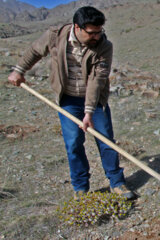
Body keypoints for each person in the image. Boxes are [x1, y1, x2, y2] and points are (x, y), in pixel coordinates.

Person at [8, 6, 135, 200]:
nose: (96, 36)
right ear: (77, 27)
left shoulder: (104, 46)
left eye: (99, 32)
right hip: (67, 99)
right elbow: (34, 51)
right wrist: (19, 71)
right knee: (73, 143)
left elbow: (97, 80)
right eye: (92, 33)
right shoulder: (54, 36)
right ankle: (81, 187)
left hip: (94, 101)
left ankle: (117, 182)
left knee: (106, 141)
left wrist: (89, 112)